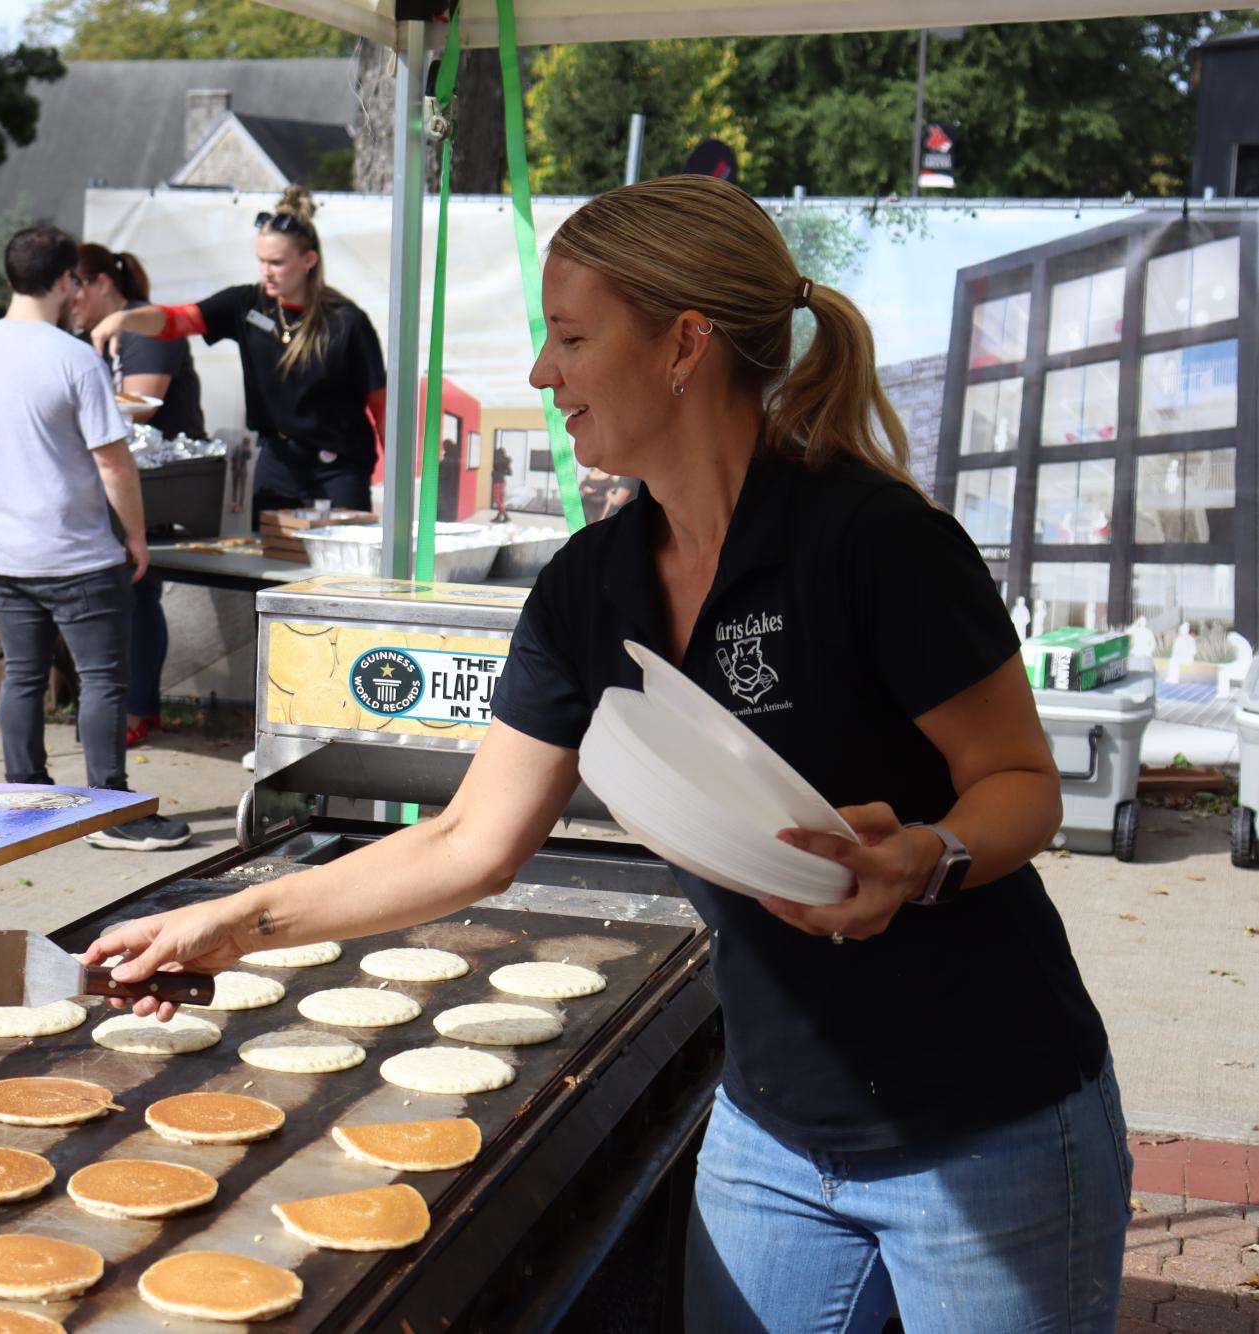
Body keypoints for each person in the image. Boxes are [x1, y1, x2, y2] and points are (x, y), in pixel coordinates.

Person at [79, 174, 1126, 1331]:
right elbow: (472, 840)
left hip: (988, 1127)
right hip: (772, 1131)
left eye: (570, 337)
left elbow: (1023, 786)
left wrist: (925, 854)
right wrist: (236, 920)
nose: (541, 371)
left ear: (686, 344)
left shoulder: (875, 543)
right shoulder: (589, 587)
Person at [0, 225, 191, 853]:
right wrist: (136, 535)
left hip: (2, 548)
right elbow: (114, 462)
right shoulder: (72, 356)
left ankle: (24, 797)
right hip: (74, 550)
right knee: (103, 680)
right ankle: (112, 811)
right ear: (67, 280)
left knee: (23, 677)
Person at [90, 185, 385, 515]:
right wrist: (124, 319)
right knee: (270, 558)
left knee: (339, 560)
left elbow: (382, 406)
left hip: (336, 466)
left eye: (277, 262)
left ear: (309, 261)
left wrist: (397, 482)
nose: (266, 272)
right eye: (261, 261)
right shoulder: (247, 303)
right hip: (278, 461)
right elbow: (177, 320)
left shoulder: (347, 321)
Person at [70, 241, 207, 747]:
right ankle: (123, 706)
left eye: (76, 289)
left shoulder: (141, 328)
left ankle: (137, 709)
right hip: (125, 480)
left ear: (102, 284)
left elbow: (142, 405)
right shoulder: (86, 336)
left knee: (137, 592)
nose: (69, 302)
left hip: (162, 486)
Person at [491, 440, 513, 521]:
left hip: (497, 482)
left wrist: (497, 472)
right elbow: (510, 473)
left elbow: (494, 471)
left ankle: (506, 515)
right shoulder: (505, 462)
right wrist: (503, 472)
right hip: (503, 482)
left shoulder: (496, 462)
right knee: (500, 500)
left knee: (497, 499)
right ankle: (499, 516)